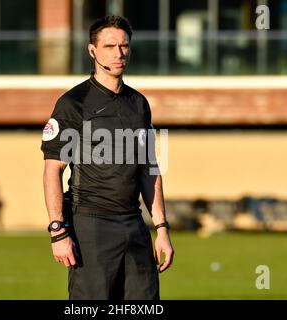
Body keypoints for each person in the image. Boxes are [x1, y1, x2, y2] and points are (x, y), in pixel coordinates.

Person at [41, 15, 174, 300]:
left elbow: (149, 169)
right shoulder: (73, 103)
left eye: (124, 46)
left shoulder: (139, 104)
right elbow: (53, 170)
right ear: (92, 51)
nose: (118, 53)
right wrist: (57, 231)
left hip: (134, 225)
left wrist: (161, 228)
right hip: (91, 226)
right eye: (110, 46)